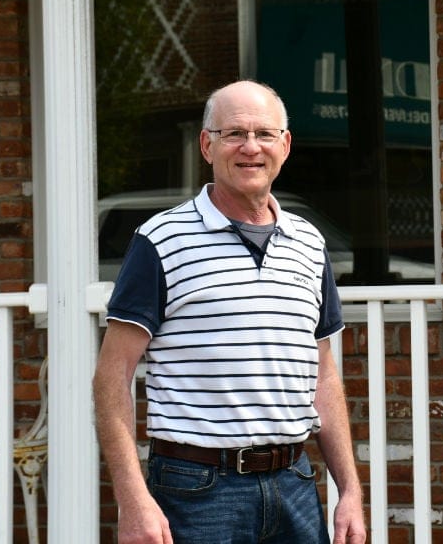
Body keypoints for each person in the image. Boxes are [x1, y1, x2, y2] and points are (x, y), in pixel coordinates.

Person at [93, 80, 367, 544]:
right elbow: (112, 376)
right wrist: (133, 499)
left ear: (285, 145)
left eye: (264, 133)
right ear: (207, 145)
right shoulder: (160, 241)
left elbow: (323, 377)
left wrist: (351, 490)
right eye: (234, 133)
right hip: (196, 490)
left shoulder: (310, 244)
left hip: (295, 484)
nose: (250, 147)